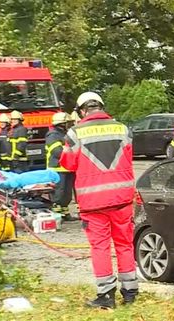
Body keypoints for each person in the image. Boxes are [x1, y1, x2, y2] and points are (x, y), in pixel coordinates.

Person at [60, 92, 138, 309]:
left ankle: (106, 295)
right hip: (121, 199)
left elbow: (67, 164)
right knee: (124, 244)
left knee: (100, 247)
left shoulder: (75, 133)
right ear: (101, 107)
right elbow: (129, 157)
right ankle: (130, 291)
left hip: (93, 202)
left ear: (82, 111)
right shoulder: (123, 129)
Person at [46, 112, 76, 221]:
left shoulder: (66, 134)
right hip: (57, 168)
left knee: (67, 193)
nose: (70, 125)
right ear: (61, 124)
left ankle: (65, 213)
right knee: (59, 192)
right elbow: (56, 151)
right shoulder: (53, 135)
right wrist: (70, 152)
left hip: (68, 168)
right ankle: (57, 215)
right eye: (68, 123)